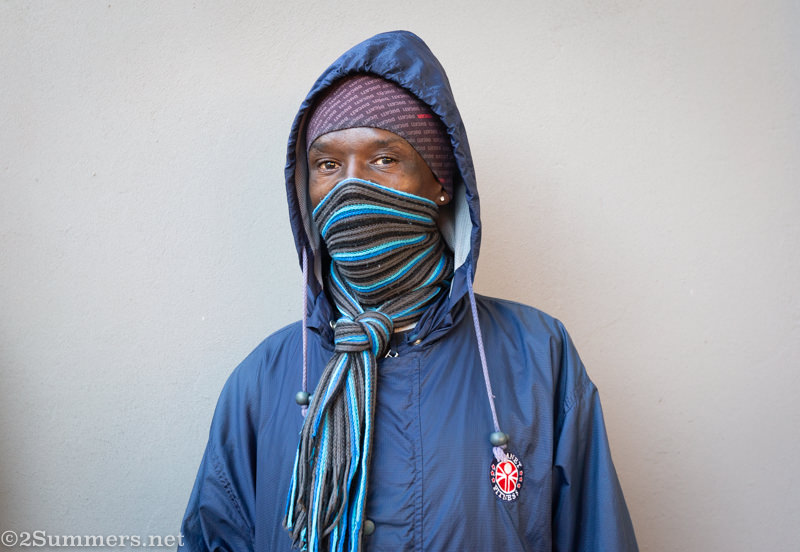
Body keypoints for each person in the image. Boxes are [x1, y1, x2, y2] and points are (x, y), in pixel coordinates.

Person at [179, 30, 638, 552]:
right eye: (327, 165)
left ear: (441, 183)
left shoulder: (537, 356)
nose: (351, 187)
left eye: (384, 159)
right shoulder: (264, 378)